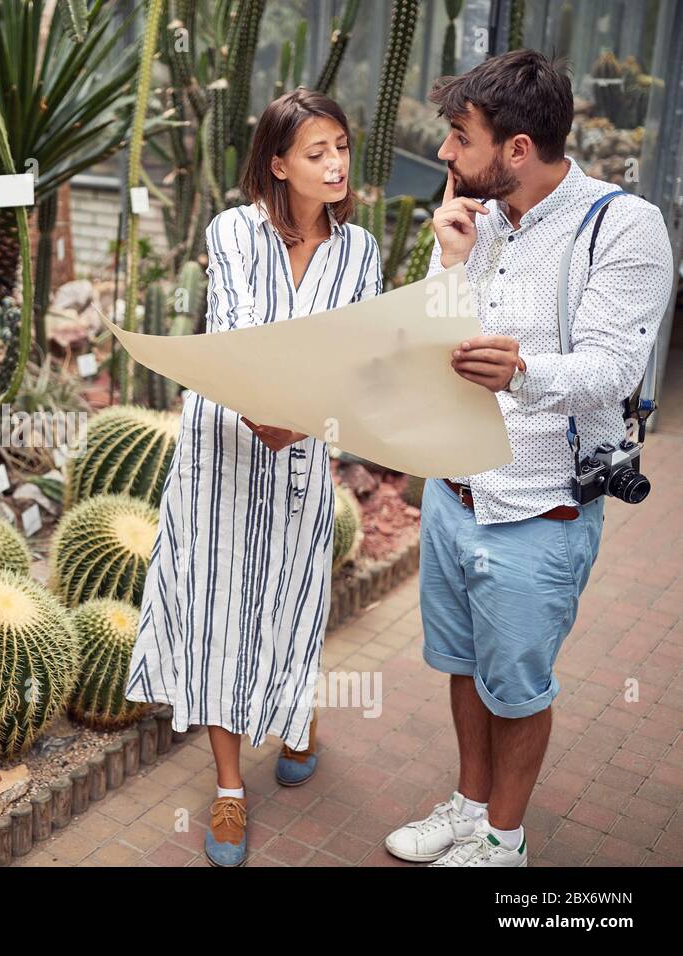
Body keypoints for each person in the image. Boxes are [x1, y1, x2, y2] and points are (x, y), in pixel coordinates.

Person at [384, 49, 674, 867]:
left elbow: (615, 370)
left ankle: (503, 843)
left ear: (516, 149)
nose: (443, 155)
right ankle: (469, 807)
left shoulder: (622, 227)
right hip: (454, 492)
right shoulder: (475, 221)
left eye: (458, 137)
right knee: (465, 668)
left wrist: (523, 371)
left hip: (538, 509)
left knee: (516, 688)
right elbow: (429, 346)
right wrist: (445, 263)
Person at [123, 88, 383, 867]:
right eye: (316, 152)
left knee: (296, 595)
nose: (335, 163)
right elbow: (236, 335)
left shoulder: (361, 250)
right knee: (221, 607)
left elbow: (361, 353)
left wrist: (305, 419)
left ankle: (296, 715)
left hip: (304, 449)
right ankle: (231, 790)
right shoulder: (232, 232)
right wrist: (269, 411)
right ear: (278, 163)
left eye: (341, 146)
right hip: (223, 449)